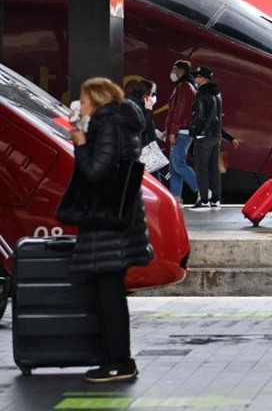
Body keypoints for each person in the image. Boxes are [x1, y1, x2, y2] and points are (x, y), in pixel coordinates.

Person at [66, 77, 154, 382]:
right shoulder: (119, 124)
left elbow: (95, 173)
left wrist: (80, 144)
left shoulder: (109, 126)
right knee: (110, 292)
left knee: (109, 295)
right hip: (117, 220)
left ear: (96, 99)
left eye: (84, 97)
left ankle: (118, 362)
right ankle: (117, 359)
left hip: (108, 224)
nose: (81, 102)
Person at [189, 67, 240, 210]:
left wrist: (193, 133)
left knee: (201, 169)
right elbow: (217, 119)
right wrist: (228, 138)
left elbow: (199, 117)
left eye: (196, 77)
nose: (194, 79)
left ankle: (204, 199)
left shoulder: (201, 94)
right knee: (214, 169)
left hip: (203, 136)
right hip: (216, 137)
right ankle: (216, 200)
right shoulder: (218, 95)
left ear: (202, 79)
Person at [165, 60, 199, 207]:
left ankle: (202, 190)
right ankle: (176, 199)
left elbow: (180, 111)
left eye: (174, 68)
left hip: (182, 131)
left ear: (180, 70)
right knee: (174, 167)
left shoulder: (184, 87)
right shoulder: (183, 86)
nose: (172, 71)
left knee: (178, 163)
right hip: (181, 130)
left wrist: (173, 132)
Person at [127, 79, 158, 149]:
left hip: (148, 148)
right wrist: (149, 110)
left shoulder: (143, 106)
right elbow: (140, 129)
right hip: (140, 149)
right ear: (145, 96)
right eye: (153, 94)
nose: (154, 97)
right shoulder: (133, 107)